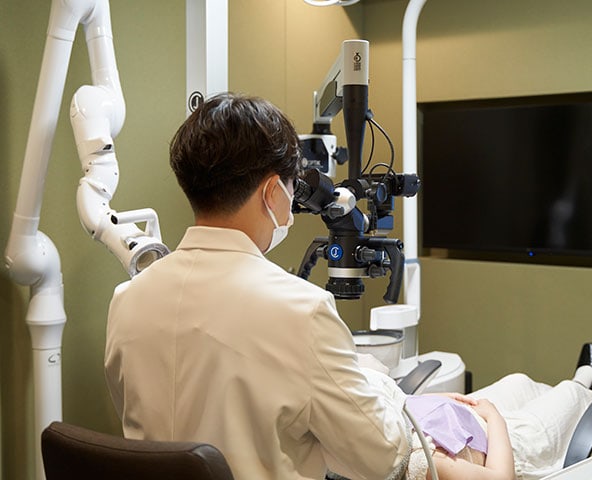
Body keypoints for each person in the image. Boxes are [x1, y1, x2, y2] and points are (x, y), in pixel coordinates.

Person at [104, 92, 410, 480]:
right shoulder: (303, 311)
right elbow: (382, 458)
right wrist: (378, 383)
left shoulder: (127, 299)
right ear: (272, 192)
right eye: (292, 187)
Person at [402, 344, 592, 480]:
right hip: (504, 444)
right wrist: (494, 417)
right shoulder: (424, 462)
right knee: (570, 395)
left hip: (455, 415)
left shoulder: (382, 420)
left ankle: (581, 384)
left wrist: (427, 399)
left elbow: (390, 393)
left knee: (518, 381)